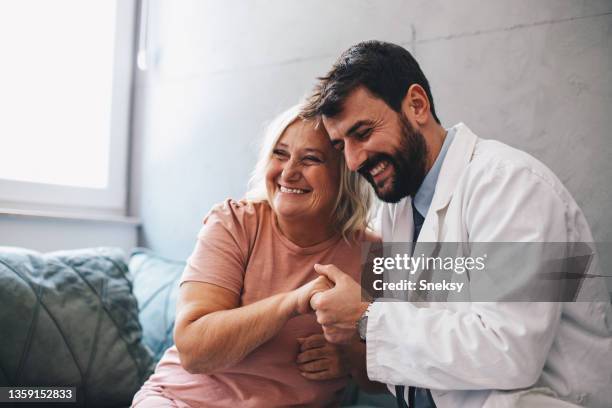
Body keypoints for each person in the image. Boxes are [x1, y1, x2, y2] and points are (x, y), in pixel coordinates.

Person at [301, 40, 612, 407]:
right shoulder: (395, 207)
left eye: (363, 133)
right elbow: (398, 349)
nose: (352, 162)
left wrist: (366, 317)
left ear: (417, 105)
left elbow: (510, 352)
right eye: (341, 146)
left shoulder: (512, 185)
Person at [132, 105, 382, 407]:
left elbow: (388, 374)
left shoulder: (374, 252)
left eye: (311, 159)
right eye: (280, 154)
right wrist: (291, 302)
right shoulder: (233, 223)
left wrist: (349, 357)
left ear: (344, 173)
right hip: (179, 400)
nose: (288, 172)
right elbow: (193, 351)